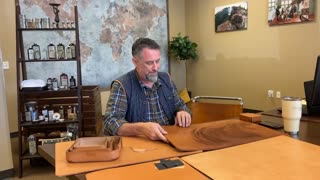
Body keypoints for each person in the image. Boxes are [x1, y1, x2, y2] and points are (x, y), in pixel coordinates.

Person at [104, 38, 192, 142]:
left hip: (171, 139)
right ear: (135, 62)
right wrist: (141, 128)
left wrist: (183, 112)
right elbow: (110, 123)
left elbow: (180, 105)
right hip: (141, 144)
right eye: (149, 63)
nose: (156, 68)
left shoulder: (166, 79)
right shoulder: (122, 85)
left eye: (158, 61)